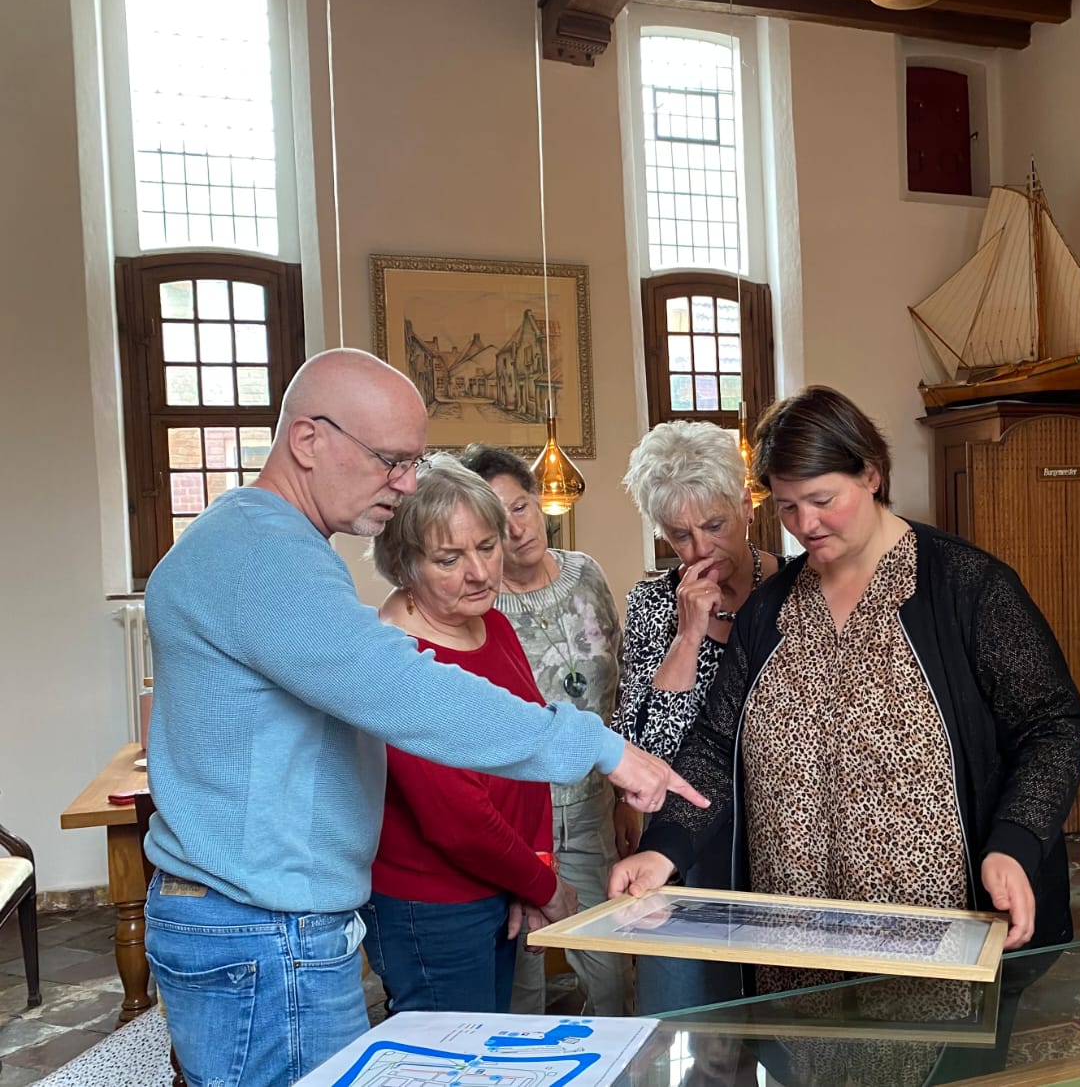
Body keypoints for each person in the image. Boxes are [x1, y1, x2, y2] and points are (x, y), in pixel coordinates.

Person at [141, 349, 702, 1087]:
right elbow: (405, 689)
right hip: (265, 930)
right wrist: (599, 746)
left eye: (412, 462)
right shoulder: (262, 555)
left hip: (270, 922)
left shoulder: (264, 544)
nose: (405, 483)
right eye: (390, 460)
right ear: (308, 440)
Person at [612, 386, 1080, 988]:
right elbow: (714, 744)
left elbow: (1051, 726)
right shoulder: (771, 609)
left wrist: (1015, 843)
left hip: (938, 931)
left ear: (871, 473)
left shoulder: (968, 587)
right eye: (787, 507)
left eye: (821, 500)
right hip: (791, 939)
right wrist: (667, 846)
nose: (805, 525)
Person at [357, 455, 574, 1014]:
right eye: (449, 558)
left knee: (490, 1046)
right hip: (432, 904)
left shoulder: (492, 622)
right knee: (450, 1061)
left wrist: (537, 865)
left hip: (503, 880)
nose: (480, 573)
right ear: (404, 565)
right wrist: (546, 889)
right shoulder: (395, 659)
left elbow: (532, 744)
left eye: (487, 546)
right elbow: (455, 820)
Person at [614, 419, 785, 1017]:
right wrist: (688, 636)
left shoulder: (795, 589)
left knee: (775, 1024)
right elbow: (641, 750)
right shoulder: (654, 603)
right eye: (680, 536)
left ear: (746, 505)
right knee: (684, 1022)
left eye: (714, 525)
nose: (701, 549)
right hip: (681, 846)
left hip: (778, 841)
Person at [459, 443, 630, 1017]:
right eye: (495, 520)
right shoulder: (477, 606)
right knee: (520, 979)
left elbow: (619, 684)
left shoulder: (587, 575)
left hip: (590, 806)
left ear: (538, 502)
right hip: (513, 815)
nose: (515, 528)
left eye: (521, 506)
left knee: (610, 972)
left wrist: (622, 800)